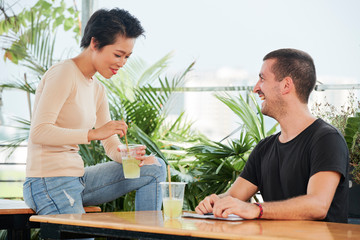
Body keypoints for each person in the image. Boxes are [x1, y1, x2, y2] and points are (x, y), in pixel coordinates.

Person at [23, 8, 166, 215]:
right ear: (95, 43)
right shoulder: (64, 73)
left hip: (78, 178)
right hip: (48, 181)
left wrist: (131, 157)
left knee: (155, 168)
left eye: (127, 57)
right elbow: (39, 132)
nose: (122, 63)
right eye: (118, 54)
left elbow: (110, 145)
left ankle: (149, 234)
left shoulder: (97, 88)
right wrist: (92, 134)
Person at [195, 48, 349, 223]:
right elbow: (234, 196)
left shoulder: (327, 139)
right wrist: (215, 202)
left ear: (286, 85)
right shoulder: (264, 148)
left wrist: (255, 209)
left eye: (262, 79)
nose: (255, 88)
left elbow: (318, 205)